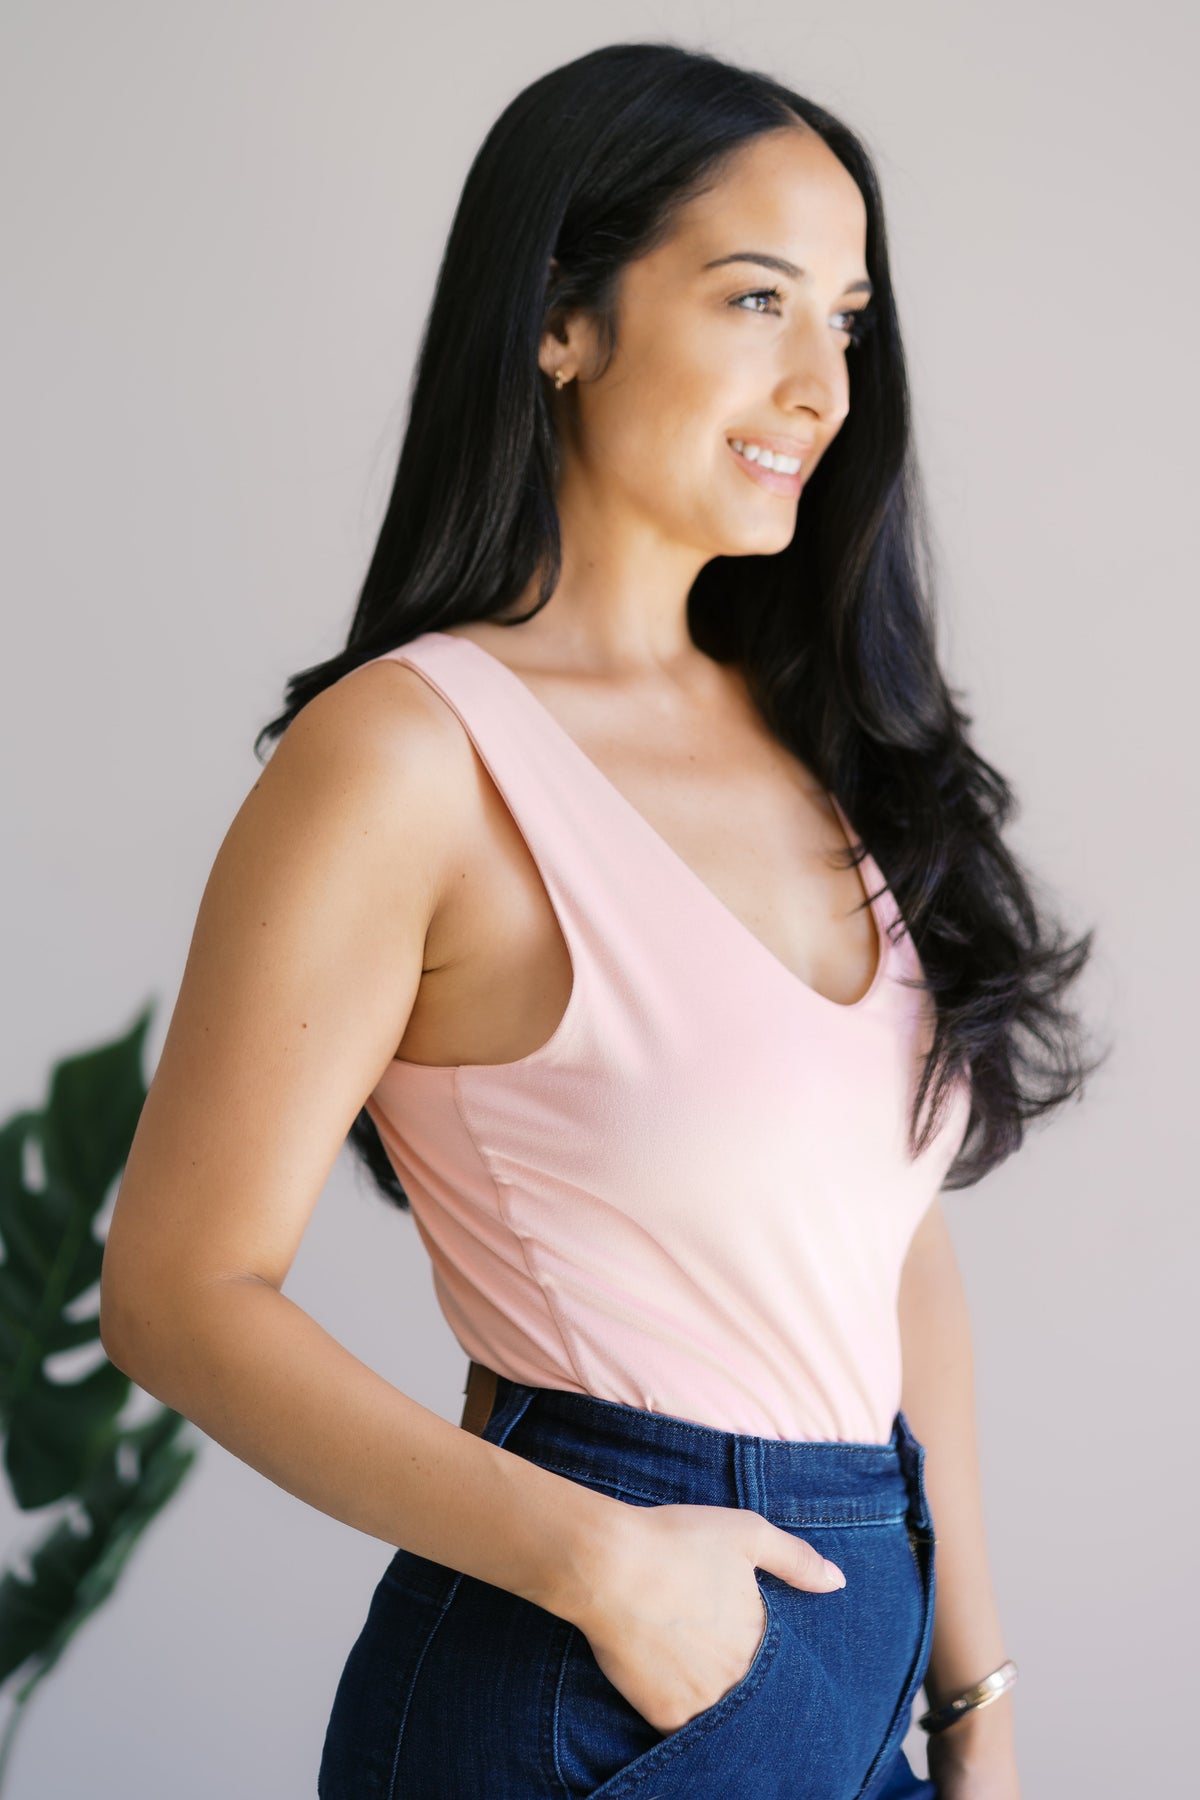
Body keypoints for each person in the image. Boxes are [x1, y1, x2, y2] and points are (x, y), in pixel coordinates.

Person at [99, 41, 1101, 1800]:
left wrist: (977, 1701)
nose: (821, 385)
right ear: (562, 318)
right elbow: (178, 1293)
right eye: (756, 299)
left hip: (860, 1666)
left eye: (846, 321)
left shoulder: (814, 742)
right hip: (600, 1674)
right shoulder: (409, 756)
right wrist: (603, 1565)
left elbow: (893, 1244)